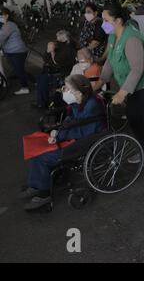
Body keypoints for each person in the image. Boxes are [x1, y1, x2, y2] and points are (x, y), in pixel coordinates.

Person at [93, 1, 144, 167]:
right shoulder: (113, 35)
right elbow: (110, 61)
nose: (103, 24)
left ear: (118, 20)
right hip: (134, 84)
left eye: (106, 20)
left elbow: (137, 69)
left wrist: (122, 92)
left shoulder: (131, 38)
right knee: (133, 117)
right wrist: (100, 82)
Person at [19, 75, 104, 211]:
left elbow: (82, 130)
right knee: (35, 149)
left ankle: (44, 193)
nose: (64, 90)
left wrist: (59, 134)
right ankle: (37, 184)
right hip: (73, 137)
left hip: (82, 143)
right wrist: (58, 130)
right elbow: (71, 119)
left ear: (78, 91)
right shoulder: (79, 100)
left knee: (41, 156)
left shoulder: (91, 105)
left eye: (67, 88)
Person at [34, 30, 77, 109]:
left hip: (63, 72)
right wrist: (48, 51)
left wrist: (52, 52)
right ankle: (42, 101)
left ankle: (42, 103)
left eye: (58, 38)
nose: (56, 40)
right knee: (40, 77)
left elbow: (57, 63)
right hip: (56, 69)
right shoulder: (61, 46)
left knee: (43, 79)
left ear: (63, 39)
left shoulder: (68, 49)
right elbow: (46, 59)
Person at [0, 8, 29, 95]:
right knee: (18, 70)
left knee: (19, 70)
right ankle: (34, 81)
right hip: (12, 51)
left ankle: (25, 88)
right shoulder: (5, 25)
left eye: (1, 15)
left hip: (17, 51)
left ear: (7, 16)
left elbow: (1, 37)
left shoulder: (9, 25)